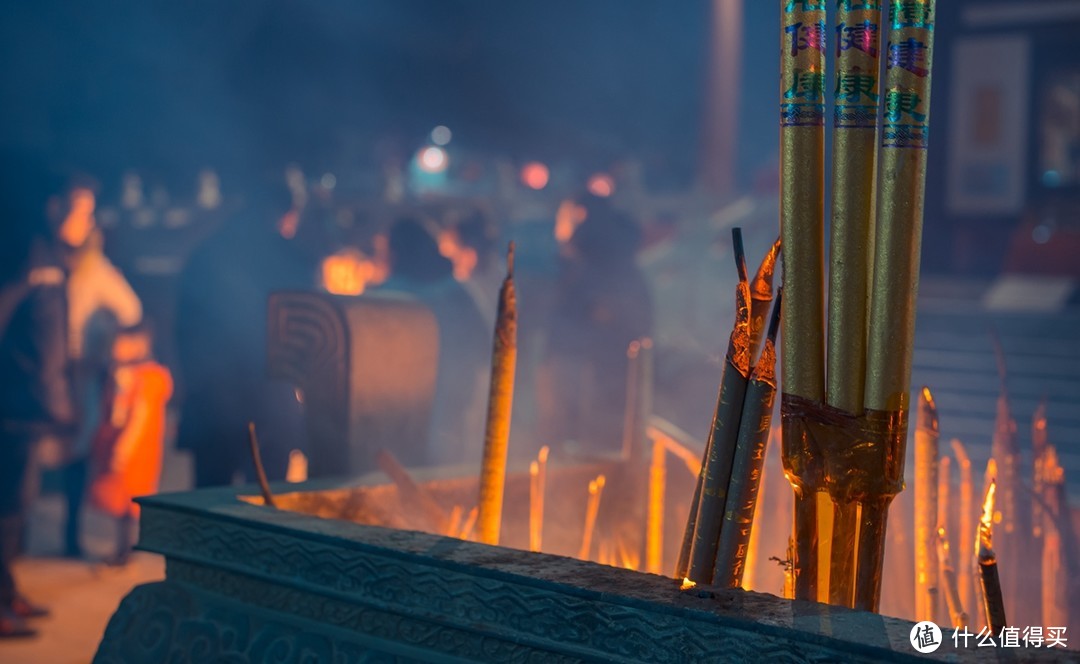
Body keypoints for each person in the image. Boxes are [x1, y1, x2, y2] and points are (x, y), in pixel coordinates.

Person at [175, 178, 313, 487]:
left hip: (211, 401)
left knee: (210, 503)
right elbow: (305, 337)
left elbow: (183, 330)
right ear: (285, 213)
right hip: (270, 402)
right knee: (264, 505)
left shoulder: (206, 253)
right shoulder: (291, 260)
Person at [0, 156, 80, 638]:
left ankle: (8, 591)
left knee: (17, 506)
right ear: (54, 207)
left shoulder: (49, 254)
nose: (87, 220)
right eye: (81, 209)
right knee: (7, 508)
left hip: (28, 407)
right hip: (15, 408)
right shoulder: (29, 254)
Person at [538, 208, 653, 454]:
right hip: (593, 387)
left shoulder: (594, 278)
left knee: (593, 446)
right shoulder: (592, 277)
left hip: (602, 388)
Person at [378, 217, 489, 466]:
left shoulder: (385, 298)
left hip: (400, 417)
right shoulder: (459, 293)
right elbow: (486, 348)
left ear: (394, 253)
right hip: (452, 414)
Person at [63, 221, 143, 558]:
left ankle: (74, 533)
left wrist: (103, 351)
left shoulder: (98, 273)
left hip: (81, 373)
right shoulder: (53, 267)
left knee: (82, 449)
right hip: (51, 372)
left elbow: (130, 312)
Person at [88, 322, 172, 565]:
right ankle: (123, 548)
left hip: (135, 452)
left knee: (127, 500)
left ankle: (124, 551)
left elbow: (139, 418)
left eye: (121, 342)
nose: (115, 347)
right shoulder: (126, 374)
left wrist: (122, 448)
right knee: (122, 502)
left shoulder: (148, 378)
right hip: (129, 448)